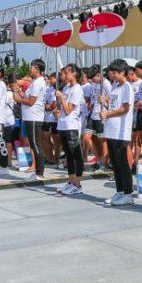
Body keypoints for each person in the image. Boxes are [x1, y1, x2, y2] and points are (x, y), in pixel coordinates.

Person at [100, 59, 135, 206]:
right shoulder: (115, 86)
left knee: (122, 163)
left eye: (115, 72)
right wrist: (105, 102)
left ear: (122, 72)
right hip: (111, 129)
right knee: (115, 162)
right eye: (111, 72)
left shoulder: (127, 87)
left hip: (121, 130)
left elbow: (125, 108)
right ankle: (119, 191)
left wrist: (108, 114)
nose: (112, 75)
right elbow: (114, 104)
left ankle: (128, 193)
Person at [55, 64, 86, 195]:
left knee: (75, 155)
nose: (65, 75)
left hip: (71, 125)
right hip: (62, 124)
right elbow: (63, 109)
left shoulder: (77, 89)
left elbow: (68, 110)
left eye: (67, 72)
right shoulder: (67, 87)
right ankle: (71, 181)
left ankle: (77, 184)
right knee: (68, 155)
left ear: (74, 74)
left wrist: (61, 98)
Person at [14, 59, 47, 178]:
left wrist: (18, 100)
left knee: (36, 145)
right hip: (29, 117)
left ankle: (39, 173)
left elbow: (31, 102)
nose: (30, 69)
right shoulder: (34, 82)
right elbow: (27, 97)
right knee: (33, 144)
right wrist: (18, 92)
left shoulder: (38, 82)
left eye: (31, 67)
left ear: (37, 69)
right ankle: (37, 171)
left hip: (34, 117)